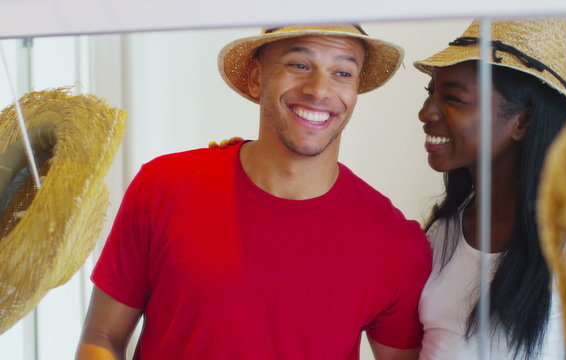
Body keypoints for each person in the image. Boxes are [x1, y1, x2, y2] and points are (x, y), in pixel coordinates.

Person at [76, 25, 432, 360]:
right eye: (299, 64)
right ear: (256, 79)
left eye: (342, 72)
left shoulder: (396, 243)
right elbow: (102, 337)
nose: (320, 90)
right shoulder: (164, 186)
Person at [412, 19, 566, 359]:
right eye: (431, 94)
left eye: (453, 98)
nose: (425, 113)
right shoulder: (441, 234)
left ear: (523, 121)